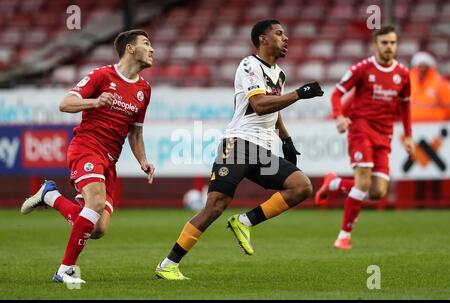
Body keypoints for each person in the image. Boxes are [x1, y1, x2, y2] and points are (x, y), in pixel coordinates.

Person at [155, 19, 324, 280]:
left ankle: (244, 222)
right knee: (214, 207)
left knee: (301, 186)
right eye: (279, 33)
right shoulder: (249, 65)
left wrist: (286, 140)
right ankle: (168, 264)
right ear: (263, 39)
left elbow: (274, 108)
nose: (285, 38)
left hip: (262, 149)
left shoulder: (279, 73)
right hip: (238, 143)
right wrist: (299, 94)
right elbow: (259, 104)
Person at [20, 29, 155, 284]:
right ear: (129, 48)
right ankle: (64, 271)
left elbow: (135, 133)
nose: (152, 49)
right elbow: (65, 103)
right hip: (87, 146)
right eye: (146, 44)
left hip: (110, 160)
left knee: (97, 228)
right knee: (93, 205)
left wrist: (143, 161)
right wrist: (95, 102)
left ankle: (50, 195)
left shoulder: (144, 90)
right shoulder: (102, 75)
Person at [314, 25, 415, 249]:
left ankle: (335, 183)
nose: (389, 47)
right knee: (363, 182)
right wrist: (339, 116)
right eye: (385, 43)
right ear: (376, 45)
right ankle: (343, 236)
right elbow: (337, 93)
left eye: (393, 43)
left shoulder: (403, 74)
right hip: (361, 129)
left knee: (378, 192)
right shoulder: (362, 69)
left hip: (384, 135)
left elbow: (406, 106)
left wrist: (408, 136)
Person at [409, 51, 450, 121]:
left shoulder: (440, 83)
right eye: (419, 66)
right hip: (413, 123)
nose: (421, 69)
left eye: (424, 66)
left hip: (435, 125)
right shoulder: (409, 82)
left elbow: (447, 106)